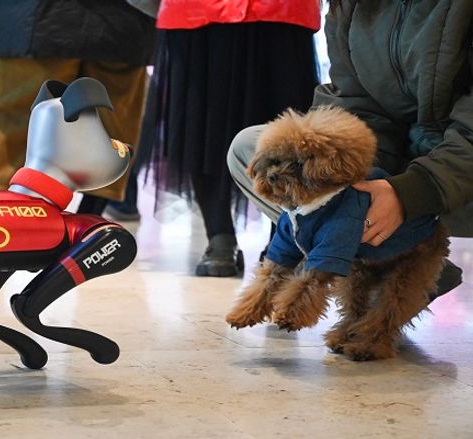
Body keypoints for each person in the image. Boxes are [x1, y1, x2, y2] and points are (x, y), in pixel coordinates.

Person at [227, 0, 471, 300]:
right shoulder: (352, 6)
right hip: (406, 160)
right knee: (250, 149)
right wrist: (363, 187)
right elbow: (356, 104)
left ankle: (410, 266)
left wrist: (410, 193)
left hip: (455, 173)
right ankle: (393, 260)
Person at [138, 0, 321, 277]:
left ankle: (280, 239)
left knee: (284, 131)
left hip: (276, 12)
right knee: (201, 125)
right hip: (204, 12)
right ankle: (221, 235)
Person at [0, 0, 156, 214]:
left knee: (12, 120)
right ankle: (91, 219)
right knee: (112, 121)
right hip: (123, 25)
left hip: (35, 21)